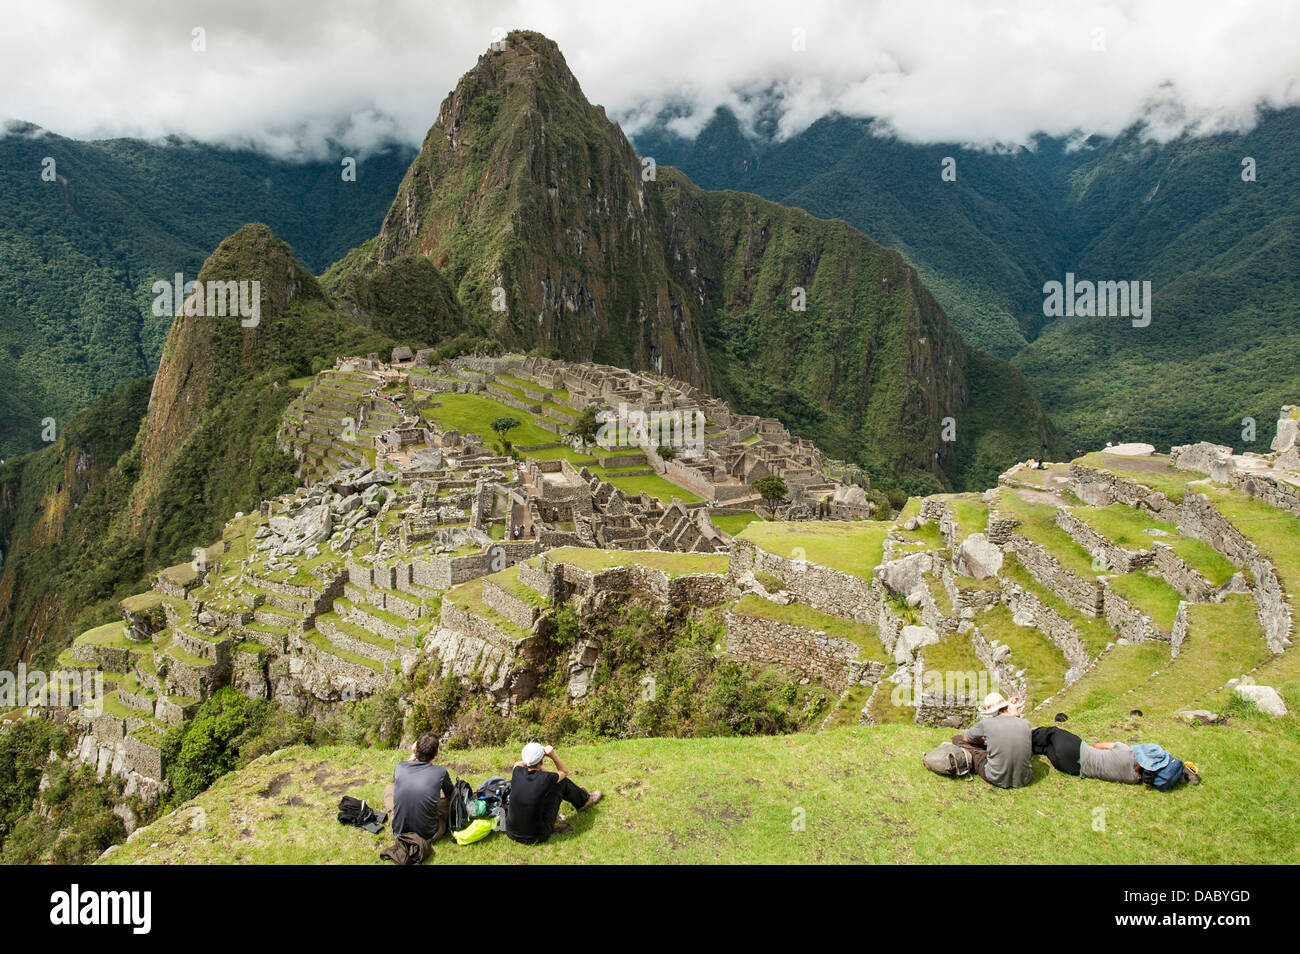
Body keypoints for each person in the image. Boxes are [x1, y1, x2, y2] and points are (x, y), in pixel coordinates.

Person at [505, 742, 602, 845]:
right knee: (562, 783)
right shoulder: (547, 778)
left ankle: (582, 798)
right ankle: (584, 801)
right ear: (542, 759)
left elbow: (519, 763)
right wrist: (552, 755)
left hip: (511, 832)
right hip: (537, 836)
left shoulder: (517, 771)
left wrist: (532, 758)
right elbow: (564, 772)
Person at [384, 731, 453, 845]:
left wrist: (412, 757)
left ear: (415, 750)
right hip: (428, 835)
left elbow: (400, 779)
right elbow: (450, 793)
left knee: (389, 788)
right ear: (436, 753)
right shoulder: (440, 772)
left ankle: (397, 814)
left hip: (399, 834)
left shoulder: (400, 767)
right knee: (447, 801)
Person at [951, 692, 1033, 789]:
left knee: (957, 739)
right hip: (1024, 778)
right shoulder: (1026, 723)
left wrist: (982, 740)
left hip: (996, 777)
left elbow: (966, 738)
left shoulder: (987, 723)